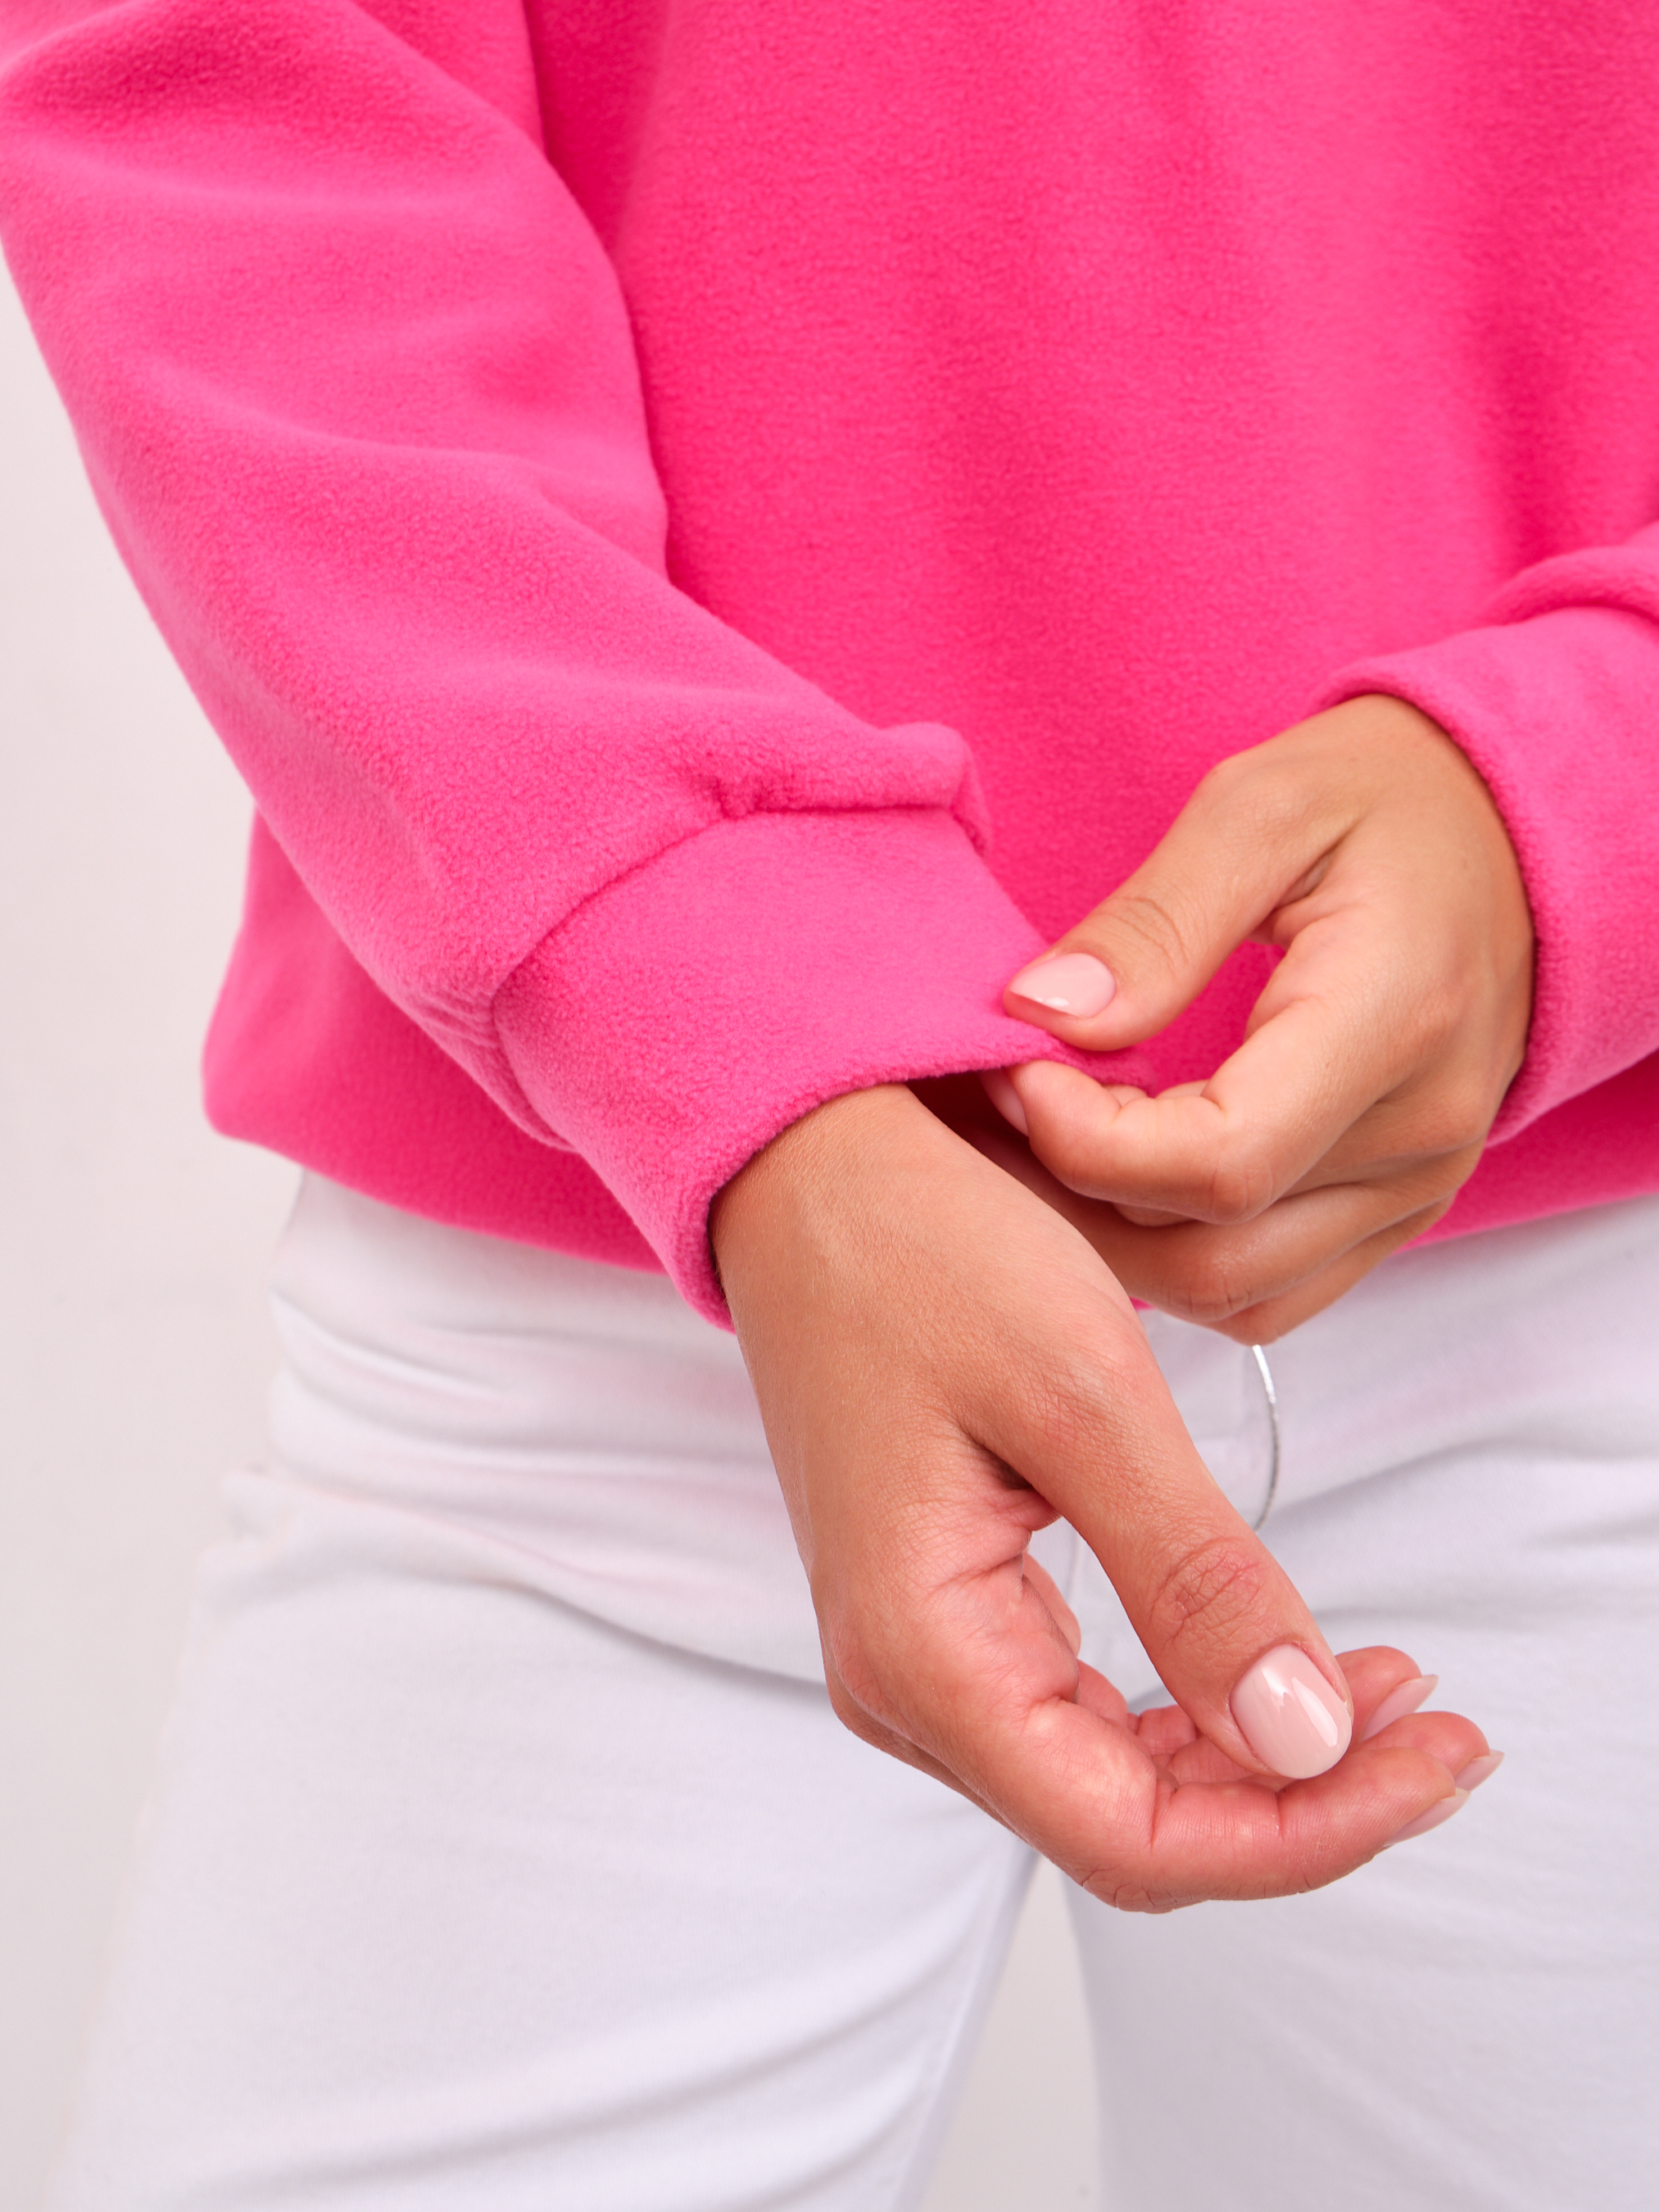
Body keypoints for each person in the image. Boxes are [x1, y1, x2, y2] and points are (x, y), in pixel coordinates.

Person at [1, 2, 1654, 2205]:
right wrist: (708, 973)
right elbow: (242, 99)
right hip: (616, 1286)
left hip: (1583, 1272)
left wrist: (1599, 783)